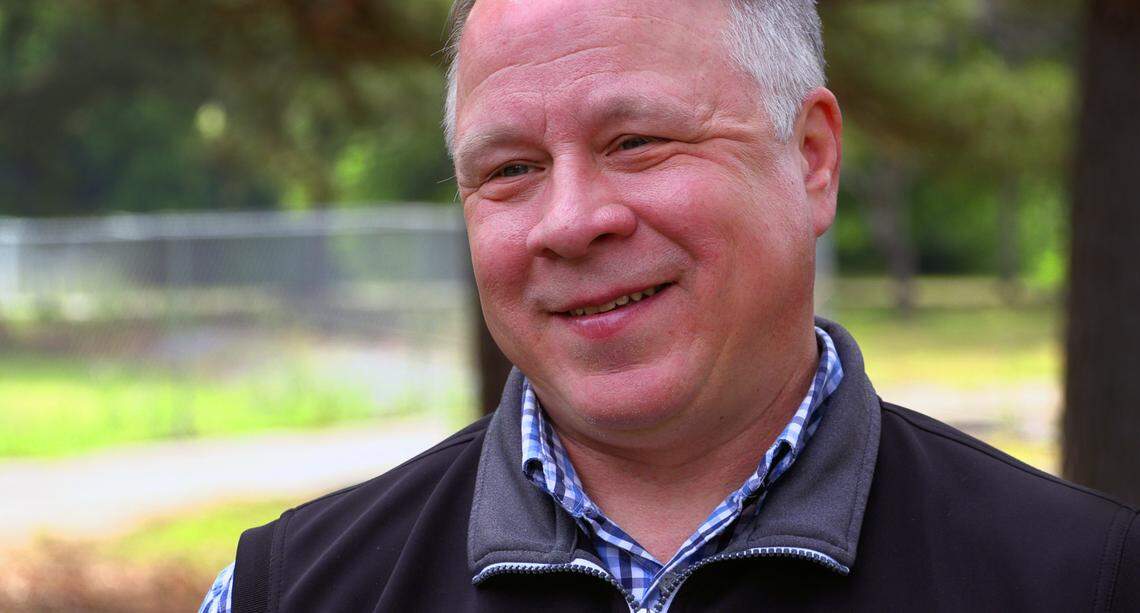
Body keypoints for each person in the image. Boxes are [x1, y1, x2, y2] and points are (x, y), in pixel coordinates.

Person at [200, 1, 1139, 611]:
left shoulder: (1085, 581)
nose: (569, 221)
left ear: (810, 158)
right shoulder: (289, 591)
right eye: (512, 169)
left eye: (637, 141)